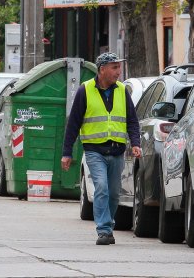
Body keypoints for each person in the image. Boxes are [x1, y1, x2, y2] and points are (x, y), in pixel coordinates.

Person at [61, 52, 141, 245]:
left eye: (119, 67)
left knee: (114, 193)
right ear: (102, 69)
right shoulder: (85, 90)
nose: (118, 72)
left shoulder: (122, 91)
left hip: (116, 151)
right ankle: (104, 230)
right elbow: (73, 124)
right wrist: (67, 153)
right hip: (94, 151)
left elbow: (132, 120)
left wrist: (136, 142)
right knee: (102, 188)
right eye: (114, 67)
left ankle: (108, 224)